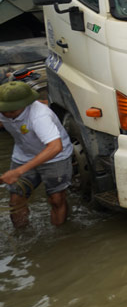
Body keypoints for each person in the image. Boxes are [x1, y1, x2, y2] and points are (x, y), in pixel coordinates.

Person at [0, 81, 73, 228]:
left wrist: (18, 171)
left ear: (25, 105)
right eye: (4, 111)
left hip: (56, 157)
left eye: (11, 111)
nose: (6, 114)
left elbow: (55, 147)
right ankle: (22, 236)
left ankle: (60, 236)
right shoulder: (3, 110)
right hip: (24, 154)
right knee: (15, 201)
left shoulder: (39, 116)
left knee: (56, 199)